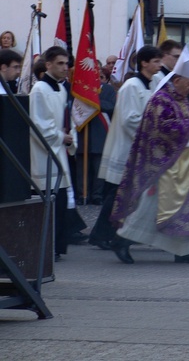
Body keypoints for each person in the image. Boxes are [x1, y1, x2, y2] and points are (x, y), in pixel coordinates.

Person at [110, 45, 189, 264]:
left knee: (186, 208)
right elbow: (160, 130)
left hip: (183, 163)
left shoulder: (181, 100)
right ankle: (121, 240)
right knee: (147, 208)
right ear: (176, 81)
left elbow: (185, 125)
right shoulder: (161, 99)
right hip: (163, 165)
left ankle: (185, 251)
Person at [88, 45, 163, 251]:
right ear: (144, 63)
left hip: (144, 148)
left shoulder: (155, 82)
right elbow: (131, 120)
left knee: (128, 194)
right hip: (130, 147)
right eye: (156, 61)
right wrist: (154, 133)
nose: (159, 65)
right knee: (117, 194)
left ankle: (120, 233)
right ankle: (101, 234)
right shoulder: (131, 86)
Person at [30, 46, 79, 261]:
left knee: (59, 204)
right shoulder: (40, 89)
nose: (65, 67)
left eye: (66, 63)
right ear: (47, 64)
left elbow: (68, 119)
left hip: (59, 151)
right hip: (45, 155)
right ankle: (46, 248)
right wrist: (61, 137)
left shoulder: (61, 89)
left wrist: (70, 137)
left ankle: (56, 248)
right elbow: (38, 125)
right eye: (59, 63)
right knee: (48, 203)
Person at [75, 64, 117, 205]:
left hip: (101, 132)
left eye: (100, 75)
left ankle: (97, 195)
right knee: (82, 167)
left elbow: (111, 106)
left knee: (99, 166)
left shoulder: (108, 89)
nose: (97, 77)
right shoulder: (81, 88)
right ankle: (82, 194)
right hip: (84, 131)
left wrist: (94, 100)